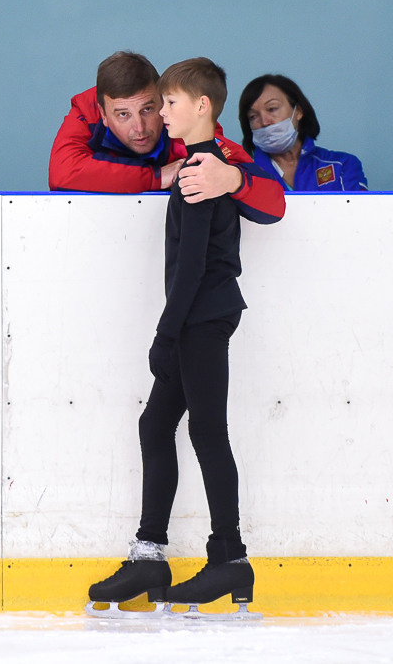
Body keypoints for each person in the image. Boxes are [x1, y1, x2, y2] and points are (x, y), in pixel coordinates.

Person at [87, 57, 275, 618]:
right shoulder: (203, 161)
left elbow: (192, 265)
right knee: (157, 424)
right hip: (200, 316)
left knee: (208, 432)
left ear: (201, 107)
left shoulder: (203, 168)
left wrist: (165, 335)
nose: (160, 113)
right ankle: (151, 555)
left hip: (201, 317)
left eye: (168, 103)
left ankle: (230, 558)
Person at [48, 51, 286, 225]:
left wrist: (234, 179)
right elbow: (64, 173)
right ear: (103, 113)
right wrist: (156, 177)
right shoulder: (87, 111)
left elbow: (275, 205)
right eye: (123, 115)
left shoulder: (184, 122)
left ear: (163, 99)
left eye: (148, 109)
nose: (139, 127)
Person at [239, 74, 367, 191]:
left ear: (298, 112)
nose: (264, 121)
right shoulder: (244, 177)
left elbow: (358, 214)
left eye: (272, 109)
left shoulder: (342, 165)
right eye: (253, 116)